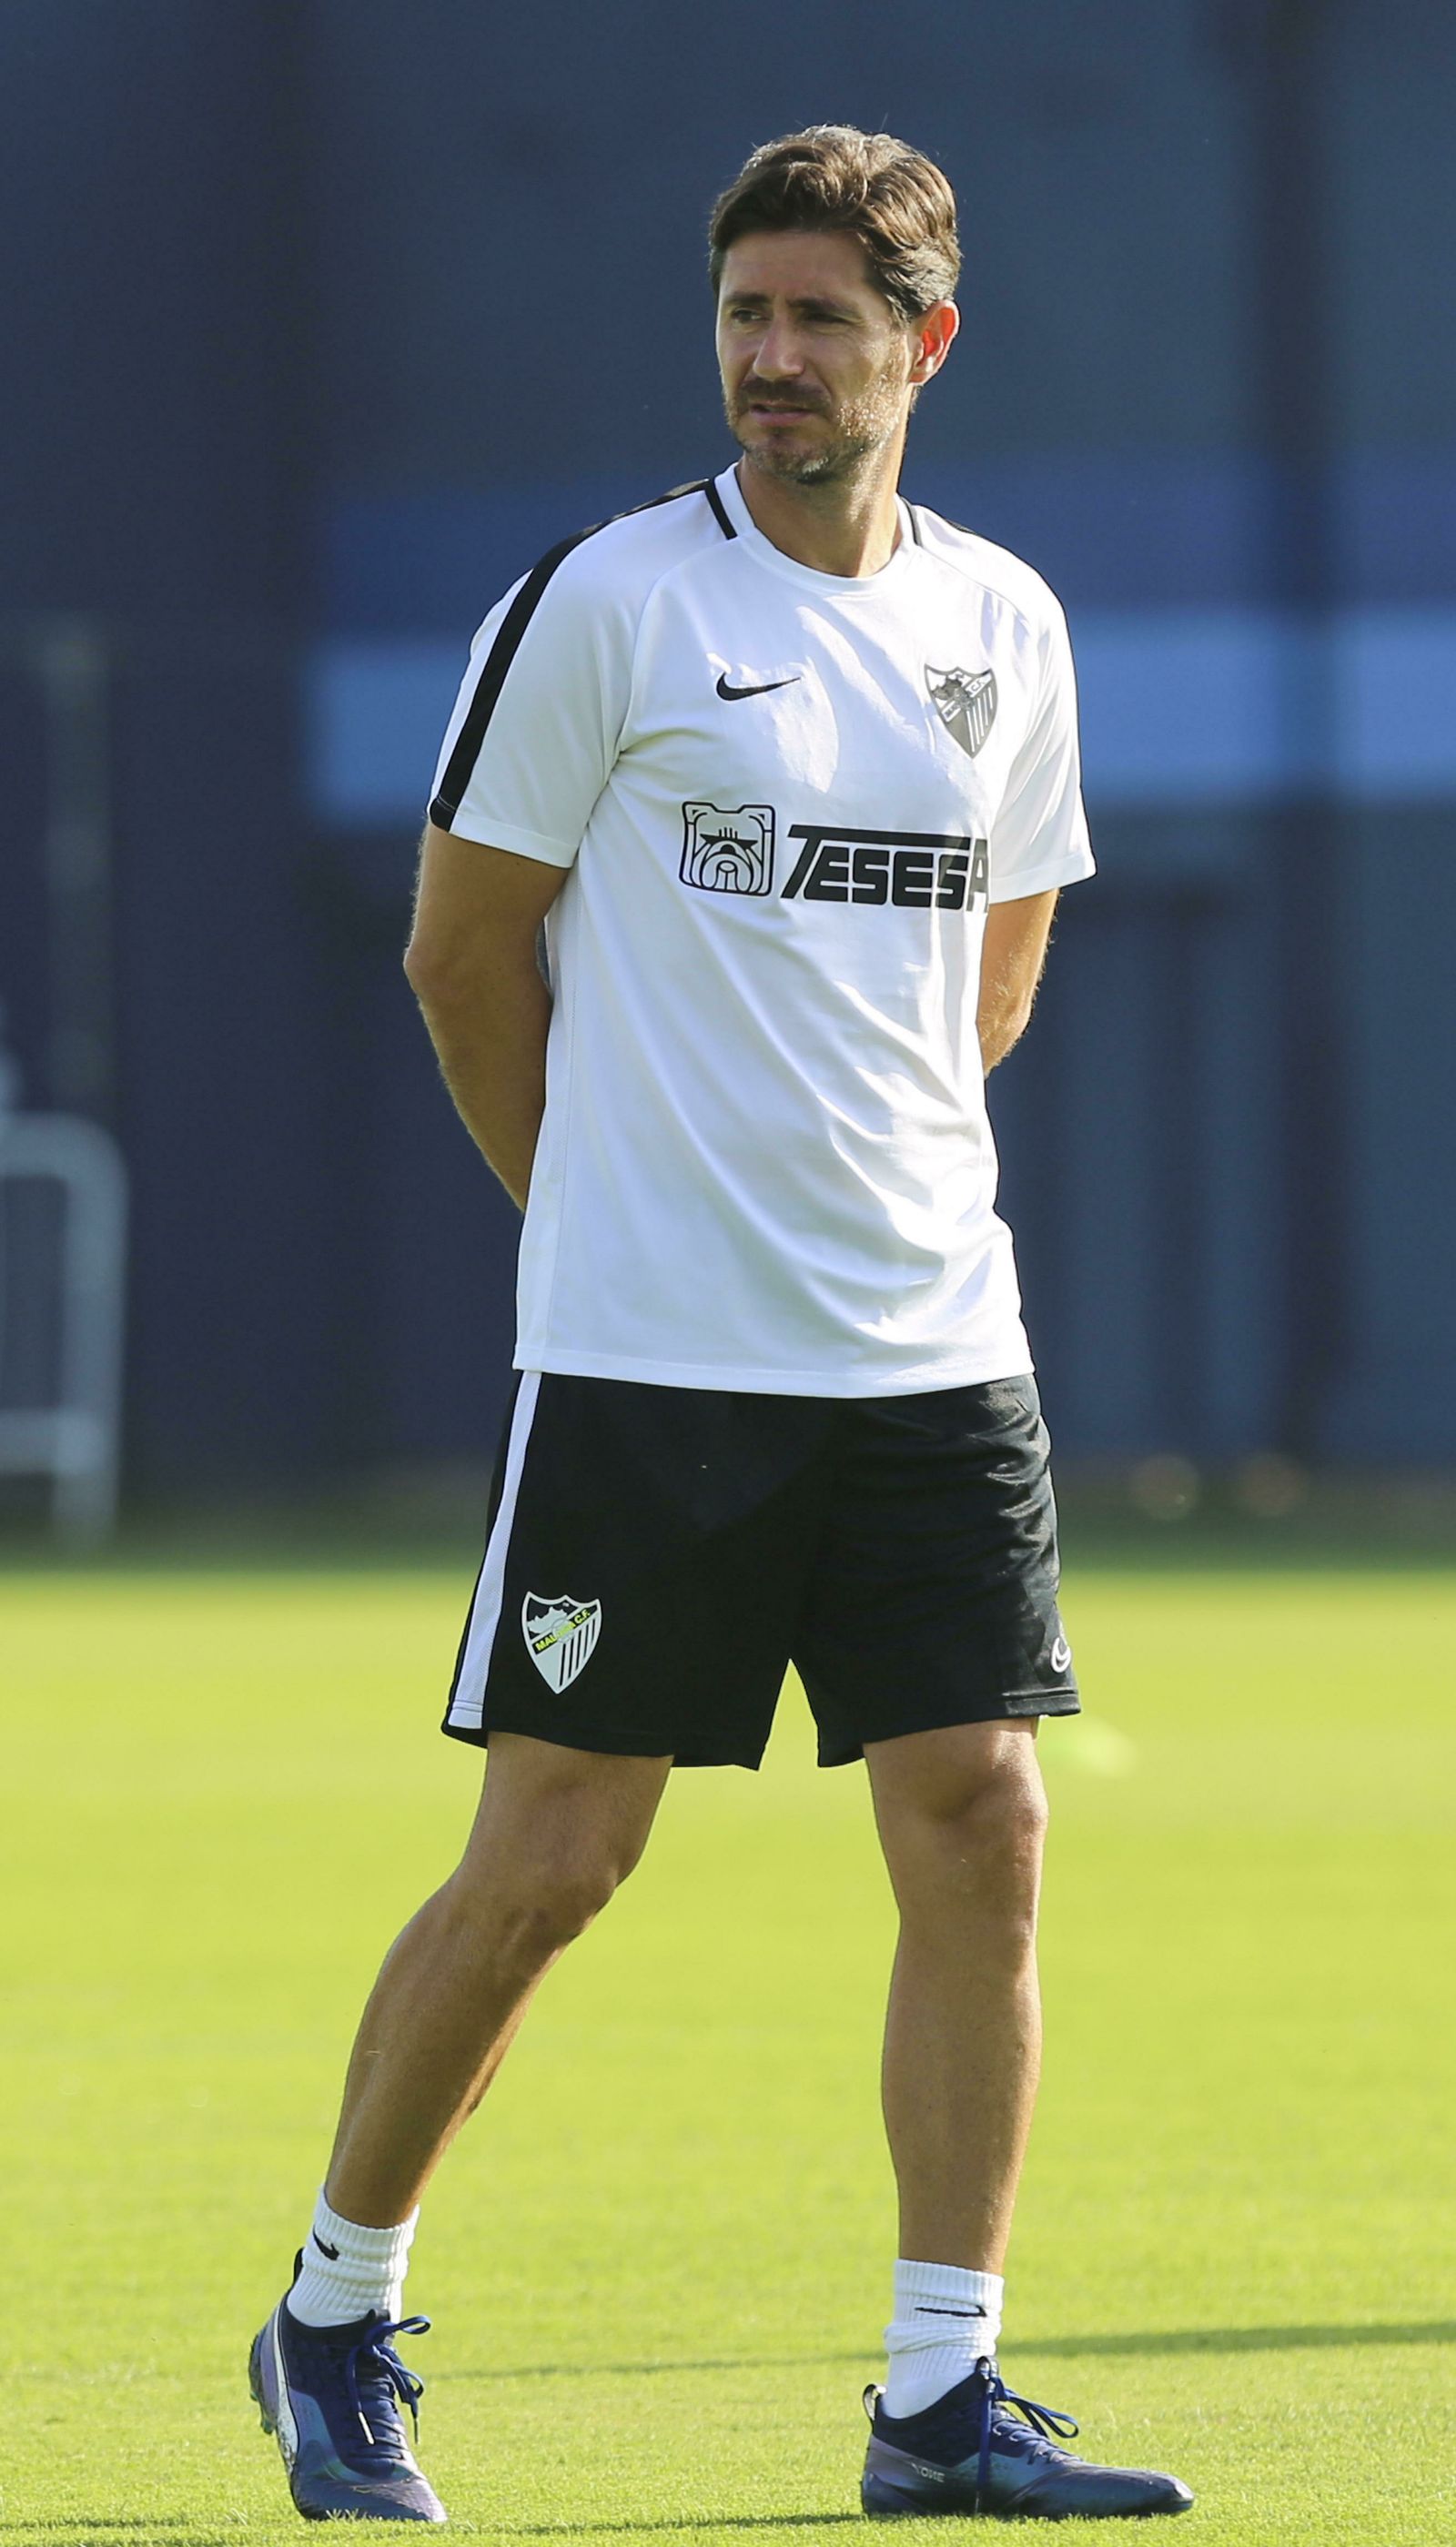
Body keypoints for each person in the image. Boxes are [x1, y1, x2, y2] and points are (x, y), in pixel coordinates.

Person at [249, 125, 1192, 2526]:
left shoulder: (1010, 624)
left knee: (982, 1824)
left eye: (821, 320)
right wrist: (610, 1217)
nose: (775, 361)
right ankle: (334, 2316)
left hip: (933, 1357)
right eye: (744, 318)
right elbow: (462, 957)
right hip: (651, 1367)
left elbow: (1003, 954)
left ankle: (939, 2397)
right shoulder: (607, 608)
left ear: (925, 344)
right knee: (554, 1865)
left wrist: (850, 1184)